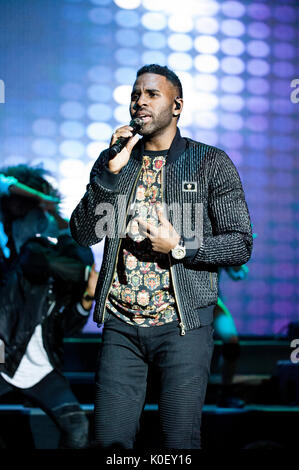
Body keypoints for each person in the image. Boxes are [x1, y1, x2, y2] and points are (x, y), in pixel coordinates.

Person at [70, 64, 253, 449]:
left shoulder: (209, 163)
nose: (140, 102)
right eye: (136, 95)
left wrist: (181, 248)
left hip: (182, 325)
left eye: (152, 94)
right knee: (109, 444)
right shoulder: (115, 161)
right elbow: (85, 232)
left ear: (177, 106)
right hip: (121, 325)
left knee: (179, 443)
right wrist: (108, 174)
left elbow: (240, 242)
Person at [0, 234, 97, 449]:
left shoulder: (66, 290)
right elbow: (41, 261)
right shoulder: (33, 253)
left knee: (77, 427)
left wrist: (88, 295)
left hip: (42, 372)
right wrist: (87, 274)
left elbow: (68, 326)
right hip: (3, 356)